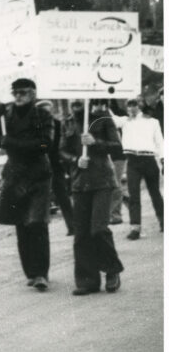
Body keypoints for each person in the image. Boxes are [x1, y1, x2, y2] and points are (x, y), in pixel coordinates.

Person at [0, 78, 55, 291]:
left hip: (38, 176)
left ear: (34, 93)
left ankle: (42, 273)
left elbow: (45, 144)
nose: (18, 96)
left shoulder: (42, 115)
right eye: (15, 92)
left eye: (23, 92)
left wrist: (13, 143)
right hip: (15, 176)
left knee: (36, 223)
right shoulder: (7, 115)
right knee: (21, 225)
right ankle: (31, 272)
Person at [60, 99, 125, 295]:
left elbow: (117, 147)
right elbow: (61, 151)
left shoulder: (103, 119)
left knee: (98, 229)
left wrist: (95, 143)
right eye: (73, 99)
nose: (76, 102)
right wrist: (74, 160)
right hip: (79, 184)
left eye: (80, 98)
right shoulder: (68, 122)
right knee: (81, 235)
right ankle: (87, 281)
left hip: (102, 182)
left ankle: (112, 270)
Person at [121, 98, 164, 239]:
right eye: (130, 106)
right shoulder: (124, 122)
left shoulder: (153, 122)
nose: (132, 108)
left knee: (155, 193)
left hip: (149, 159)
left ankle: (164, 221)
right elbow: (107, 116)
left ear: (141, 107)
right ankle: (135, 228)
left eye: (135, 105)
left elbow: (160, 142)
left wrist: (163, 160)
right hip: (132, 160)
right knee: (134, 195)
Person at [37, 99, 75, 236]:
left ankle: (72, 226)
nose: (47, 113)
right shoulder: (35, 127)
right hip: (40, 166)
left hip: (55, 163)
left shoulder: (58, 124)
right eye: (43, 111)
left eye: (48, 110)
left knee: (62, 196)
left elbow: (60, 144)